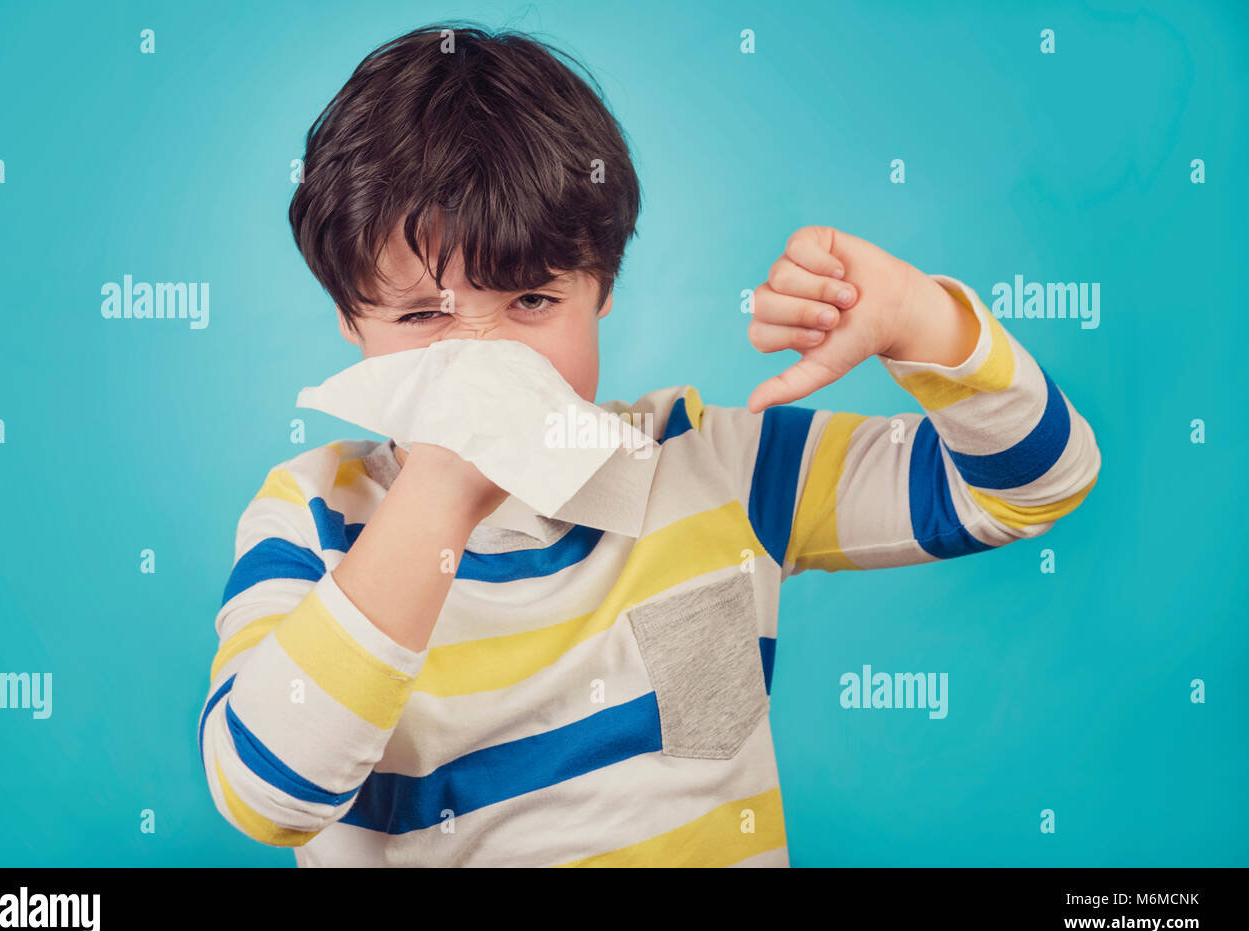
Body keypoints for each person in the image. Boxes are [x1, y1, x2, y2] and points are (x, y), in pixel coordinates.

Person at [196, 22, 1101, 866]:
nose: (478, 361)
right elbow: (268, 794)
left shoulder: (714, 467)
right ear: (351, 321)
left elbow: (1031, 487)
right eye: (423, 315)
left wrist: (922, 323)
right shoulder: (312, 522)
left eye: (531, 302)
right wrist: (435, 490)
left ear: (603, 288)